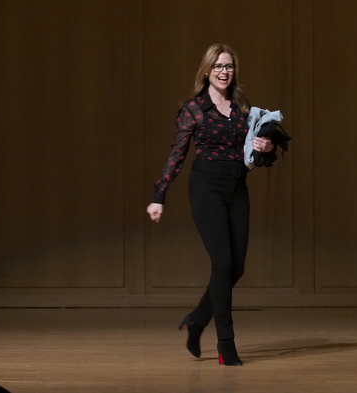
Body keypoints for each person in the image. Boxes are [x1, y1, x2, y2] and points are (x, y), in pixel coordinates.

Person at [146, 43, 274, 366]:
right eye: (217, 66)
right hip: (206, 186)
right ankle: (226, 344)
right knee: (222, 263)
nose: (223, 71)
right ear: (206, 71)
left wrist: (266, 145)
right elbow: (177, 154)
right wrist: (158, 195)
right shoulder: (194, 109)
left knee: (237, 266)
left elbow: (259, 154)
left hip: (237, 186)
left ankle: (196, 320)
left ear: (234, 72)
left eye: (228, 66)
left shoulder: (242, 109)